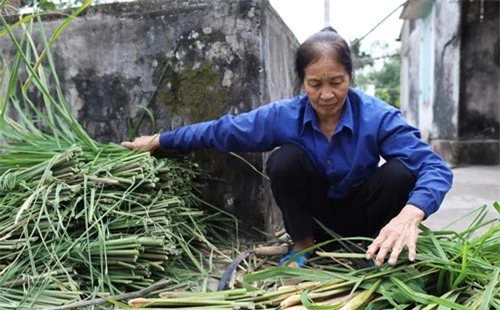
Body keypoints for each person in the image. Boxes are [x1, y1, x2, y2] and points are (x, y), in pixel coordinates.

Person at [122, 27, 453, 268]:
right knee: (284, 159)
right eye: (315, 84)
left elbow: (435, 167)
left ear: (350, 77)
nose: (327, 94)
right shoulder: (285, 115)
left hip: (367, 219)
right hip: (316, 219)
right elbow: (224, 131)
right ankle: (303, 245)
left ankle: (375, 249)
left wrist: (411, 214)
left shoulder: (377, 116)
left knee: (400, 172)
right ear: (302, 81)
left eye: (336, 82)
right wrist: (160, 140)